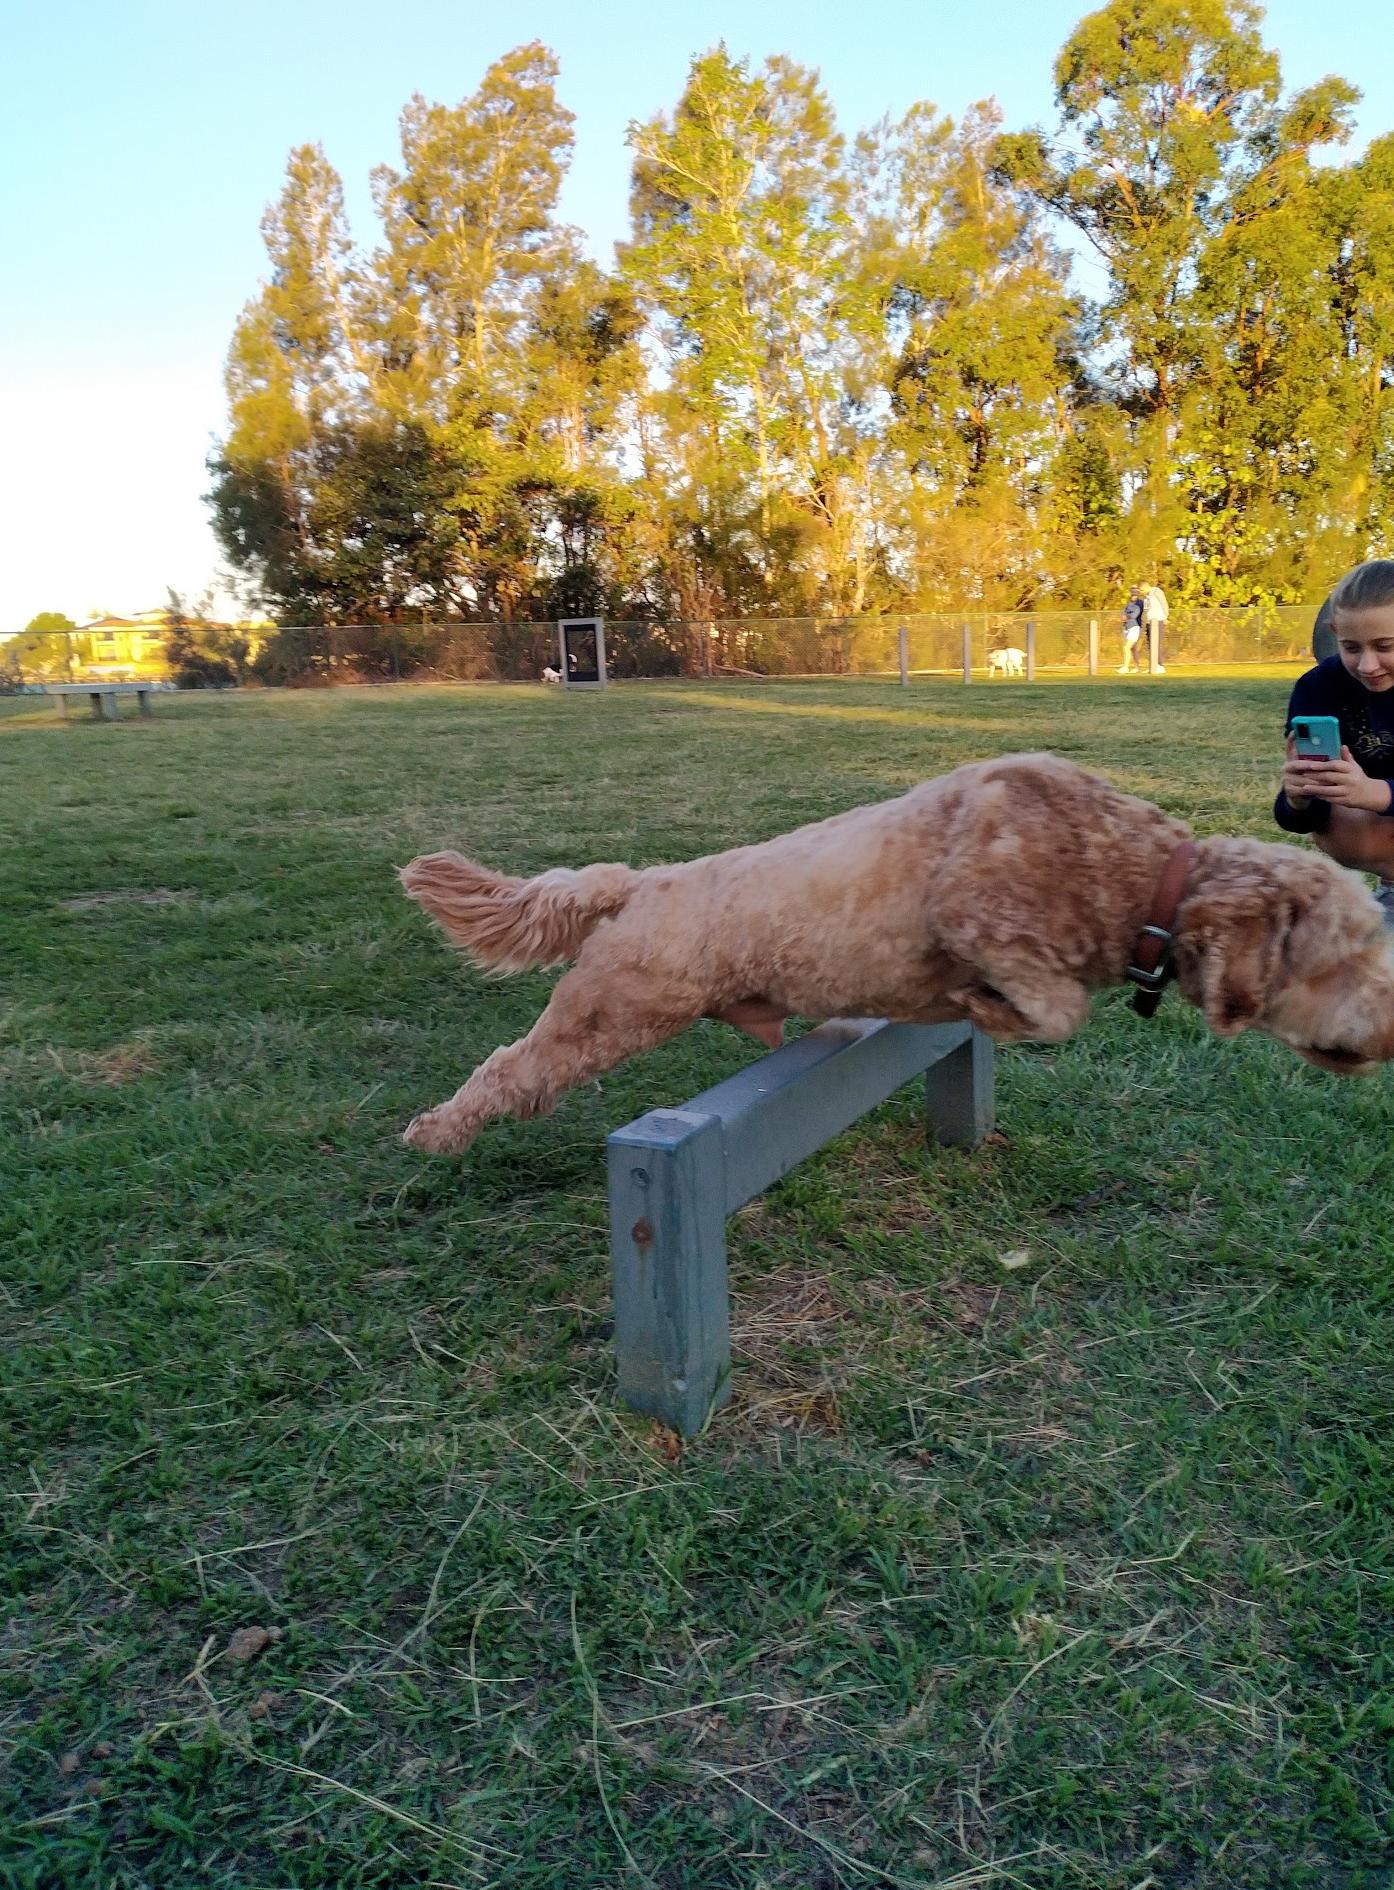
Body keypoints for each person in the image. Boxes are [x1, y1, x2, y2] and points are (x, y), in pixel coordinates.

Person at [1276, 558, 1394, 927]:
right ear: (1333, 633)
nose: (1367, 665)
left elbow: (1370, 798)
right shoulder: (1317, 688)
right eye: (1351, 647)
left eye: (1385, 646)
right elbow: (1302, 820)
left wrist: (1376, 793)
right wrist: (1297, 799)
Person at [1142, 579, 1169, 672]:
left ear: (1145, 586)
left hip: (1158, 620)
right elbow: (1146, 609)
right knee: (1150, 644)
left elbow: (1164, 604)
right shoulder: (1146, 596)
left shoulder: (1157, 592)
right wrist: (1145, 620)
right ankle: (1152, 665)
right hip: (1149, 622)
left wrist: (1165, 616)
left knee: (1157, 643)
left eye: (1142, 590)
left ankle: (1160, 665)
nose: (1142, 592)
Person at [1118, 585, 1144, 672]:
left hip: (1135, 627)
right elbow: (1124, 612)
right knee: (1133, 649)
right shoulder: (1129, 603)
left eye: (1135, 591)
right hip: (1127, 627)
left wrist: (1127, 617)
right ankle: (1137, 668)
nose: (1134, 593)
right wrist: (1122, 617)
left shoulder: (1139, 603)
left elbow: (1135, 615)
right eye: (1132, 591)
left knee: (1126, 647)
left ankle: (1125, 667)